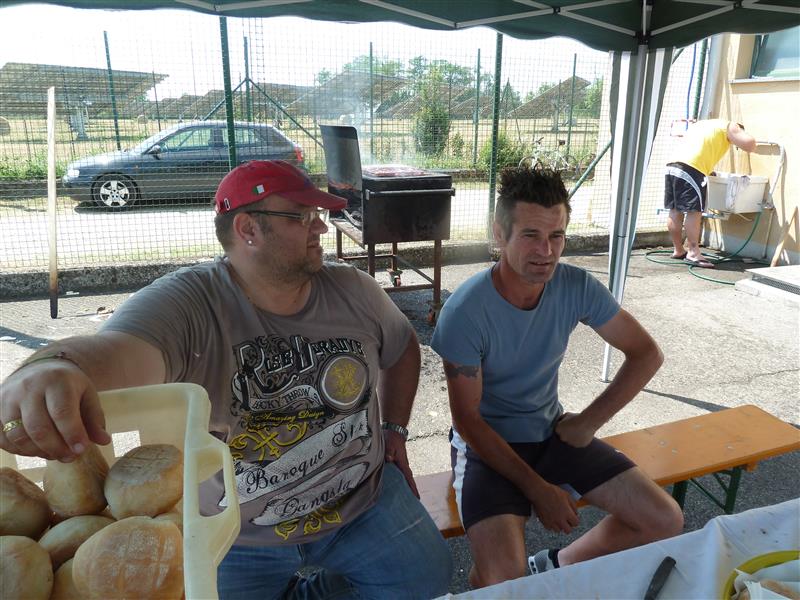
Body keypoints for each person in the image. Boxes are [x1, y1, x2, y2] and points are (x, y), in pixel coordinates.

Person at [0, 160, 452, 599]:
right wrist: (53, 367)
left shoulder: (355, 290)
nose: (320, 226)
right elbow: (117, 353)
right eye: (302, 216)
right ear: (248, 228)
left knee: (427, 580)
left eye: (318, 214)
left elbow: (402, 347)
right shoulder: (187, 304)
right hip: (233, 529)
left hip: (360, 499)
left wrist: (394, 429)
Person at [430, 166, 684, 589]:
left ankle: (556, 565)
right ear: (499, 234)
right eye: (530, 235)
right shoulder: (465, 312)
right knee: (504, 580)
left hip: (552, 432)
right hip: (486, 447)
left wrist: (588, 422)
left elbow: (645, 354)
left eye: (557, 236)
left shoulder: (575, 285)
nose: (546, 251)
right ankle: (487, 580)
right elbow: (468, 421)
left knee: (664, 519)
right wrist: (538, 489)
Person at [665, 119, 757, 268]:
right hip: (691, 168)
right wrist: (740, 133)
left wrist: (708, 170)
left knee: (675, 210)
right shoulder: (730, 126)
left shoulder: (703, 125)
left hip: (673, 165)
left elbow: (700, 148)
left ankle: (678, 250)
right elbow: (750, 144)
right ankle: (693, 253)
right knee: (694, 211)